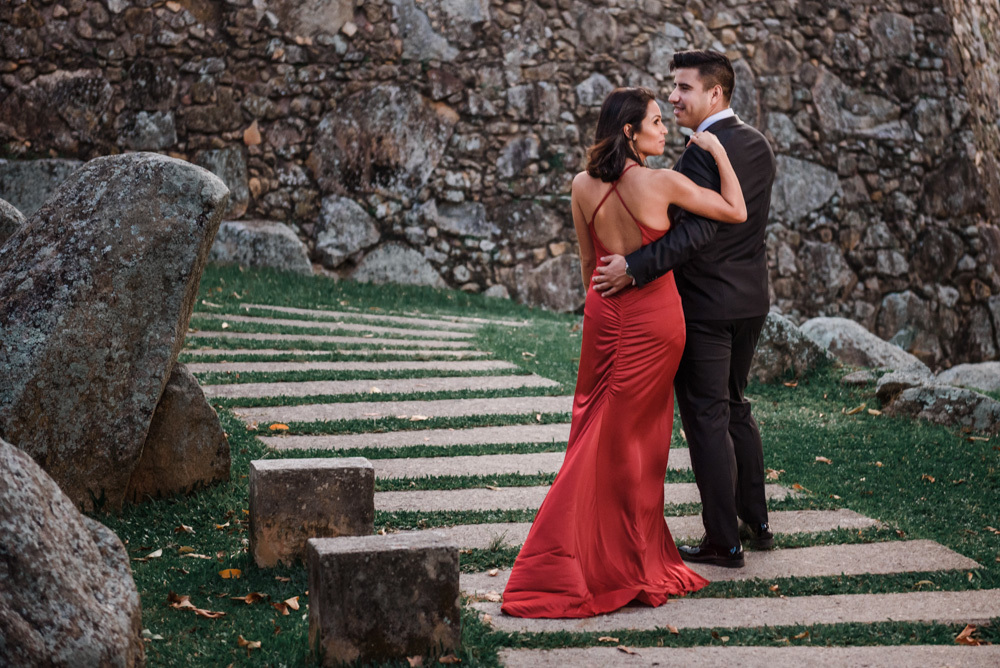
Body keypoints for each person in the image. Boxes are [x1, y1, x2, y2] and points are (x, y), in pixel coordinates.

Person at [500, 86, 747, 618]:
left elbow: (588, 265)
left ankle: (596, 549)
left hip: (603, 314)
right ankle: (614, 553)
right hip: (654, 320)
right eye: (656, 122)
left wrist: (600, 310)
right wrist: (717, 150)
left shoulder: (580, 185)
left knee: (596, 426)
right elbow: (736, 209)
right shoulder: (662, 182)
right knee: (637, 442)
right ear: (630, 132)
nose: (665, 129)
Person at [593, 50, 778, 569]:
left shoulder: (700, 153)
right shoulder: (758, 143)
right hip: (750, 302)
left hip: (705, 306)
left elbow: (696, 234)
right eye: (672, 87)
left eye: (684, 88)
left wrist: (635, 266)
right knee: (735, 406)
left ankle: (724, 541)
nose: (673, 97)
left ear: (714, 94)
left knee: (707, 417)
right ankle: (757, 522)